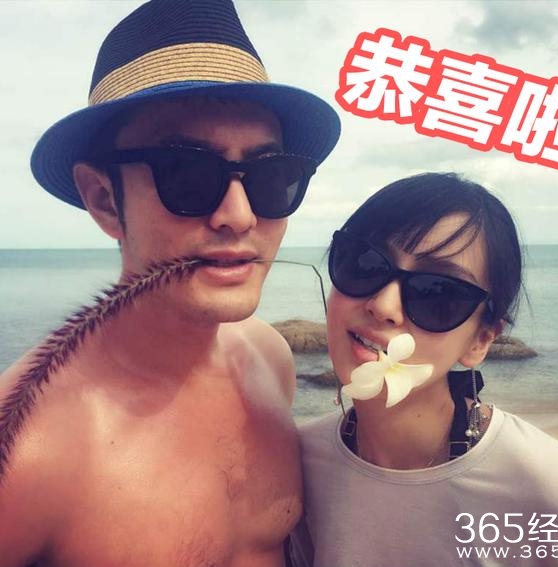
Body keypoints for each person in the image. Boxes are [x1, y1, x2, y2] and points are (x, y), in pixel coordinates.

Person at [0, 1, 339, 565]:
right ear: (104, 200)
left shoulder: (268, 359)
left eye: (272, 176)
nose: (240, 216)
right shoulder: (29, 447)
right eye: (187, 173)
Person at [290, 172, 558, 566]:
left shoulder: (541, 484)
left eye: (438, 292)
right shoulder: (300, 461)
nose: (384, 306)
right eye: (364, 262)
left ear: (481, 340)